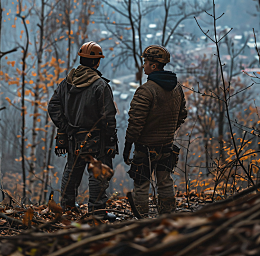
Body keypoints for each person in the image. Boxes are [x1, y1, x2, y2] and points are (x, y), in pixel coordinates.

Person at [48, 41, 117, 220]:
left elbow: (53, 106)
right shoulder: (100, 86)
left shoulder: (67, 82)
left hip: (73, 139)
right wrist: (111, 141)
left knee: (72, 170)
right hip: (97, 140)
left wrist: (66, 128)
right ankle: (97, 211)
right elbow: (108, 117)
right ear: (97, 62)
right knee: (98, 174)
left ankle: (67, 207)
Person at [123, 45, 187, 216]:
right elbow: (182, 114)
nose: (143, 66)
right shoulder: (177, 88)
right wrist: (169, 132)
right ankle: (168, 217)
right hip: (167, 145)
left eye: (145, 62)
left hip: (145, 147)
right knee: (165, 181)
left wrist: (128, 145)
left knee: (141, 184)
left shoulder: (146, 91)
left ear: (153, 66)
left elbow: (136, 122)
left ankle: (141, 219)